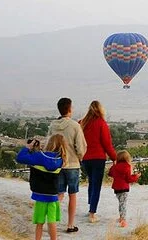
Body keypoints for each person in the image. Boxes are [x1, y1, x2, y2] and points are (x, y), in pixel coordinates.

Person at [16, 135, 67, 240]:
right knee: (52, 222)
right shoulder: (61, 160)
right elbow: (49, 160)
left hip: (40, 195)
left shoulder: (39, 156)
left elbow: (20, 158)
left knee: (39, 222)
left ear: (49, 143)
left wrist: (29, 147)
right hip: (53, 196)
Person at [48, 97, 87, 234]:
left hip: (57, 164)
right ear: (70, 109)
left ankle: (51, 220)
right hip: (72, 165)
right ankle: (70, 225)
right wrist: (80, 157)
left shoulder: (53, 125)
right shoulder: (75, 126)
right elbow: (81, 147)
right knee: (72, 195)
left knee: (59, 194)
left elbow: (48, 145)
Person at [79, 100, 117, 223]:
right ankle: (92, 212)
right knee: (96, 185)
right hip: (98, 158)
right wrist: (114, 157)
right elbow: (107, 144)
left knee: (91, 182)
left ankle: (90, 207)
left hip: (85, 158)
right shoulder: (101, 124)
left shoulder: (82, 123)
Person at [108, 150, 141, 228]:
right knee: (123, 204)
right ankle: (123, 220)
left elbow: (110, 174)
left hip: (116, 188)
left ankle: (121, 217)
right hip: (124, 188)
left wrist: (113, 165)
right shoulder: (127, 166)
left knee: (121, 203)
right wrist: (136, 177)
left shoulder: (115, 167)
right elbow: (129, 179)